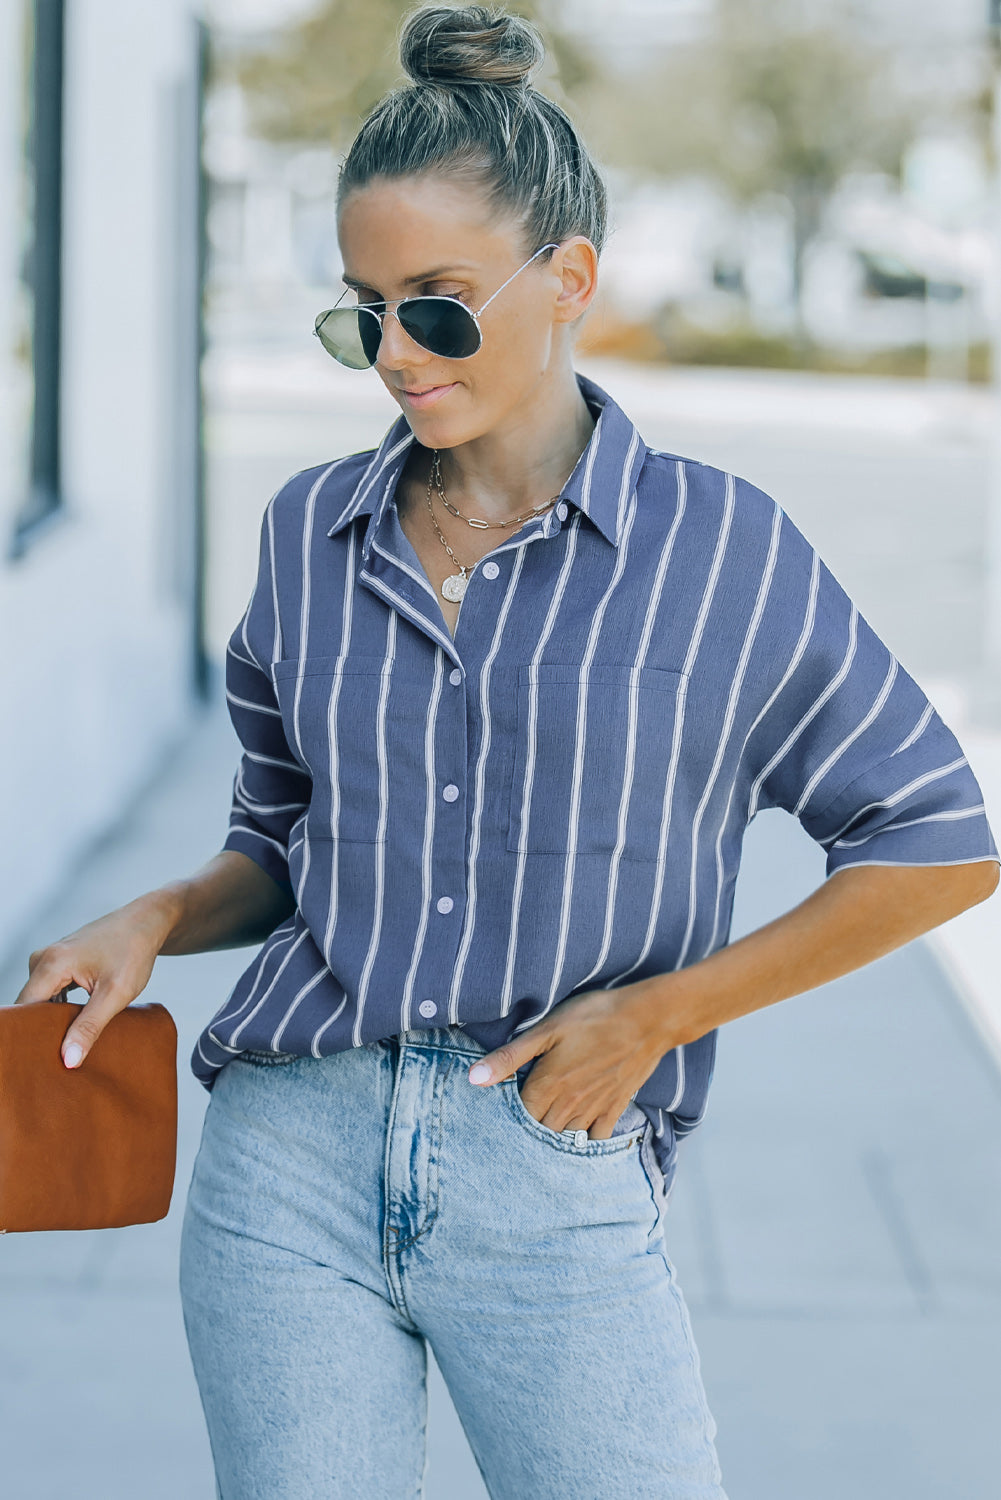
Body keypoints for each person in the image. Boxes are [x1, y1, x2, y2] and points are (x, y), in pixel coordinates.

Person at [16, 5, 1000, 1497]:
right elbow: (284, 844)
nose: (396, 356)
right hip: (289, 1159)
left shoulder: (722, 550)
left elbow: (936, 841)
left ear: (570, 282)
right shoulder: (308, 535)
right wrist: (154, 914)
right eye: (362, 312)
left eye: (439, 304)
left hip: (551, 1160)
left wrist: (656, 1016)